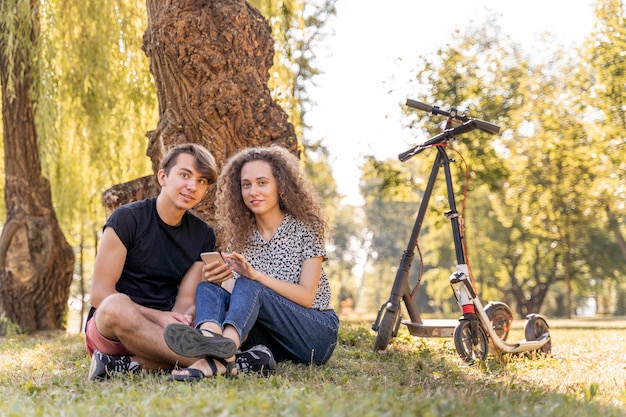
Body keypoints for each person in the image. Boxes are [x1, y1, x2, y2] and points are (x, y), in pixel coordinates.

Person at [85, 143, 270, 381]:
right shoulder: (127, 219)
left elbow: (184, 302)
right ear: (163, 176)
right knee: (115, 306)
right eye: (185, 175)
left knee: (219, 310)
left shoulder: (203, 235)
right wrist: (157, 316)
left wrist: (177, 318)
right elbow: (100, 295)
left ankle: (125, 365)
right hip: (116, 329)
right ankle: (228, 363)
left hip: (169, 334)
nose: (192, 186)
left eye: (202, 181)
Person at [163, 145, 339, 381]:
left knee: (249, 285)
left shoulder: (306, 229)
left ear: (280, 185)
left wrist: (255, 276)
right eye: (246, 185)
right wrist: (219, 279)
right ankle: (209, 337)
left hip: (314, 333)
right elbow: (241, 302)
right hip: (267, 336)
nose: (253, 191)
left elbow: (307, 296)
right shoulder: (240, 237)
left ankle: (221, 349)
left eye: (262, 182)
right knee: (208, 287)